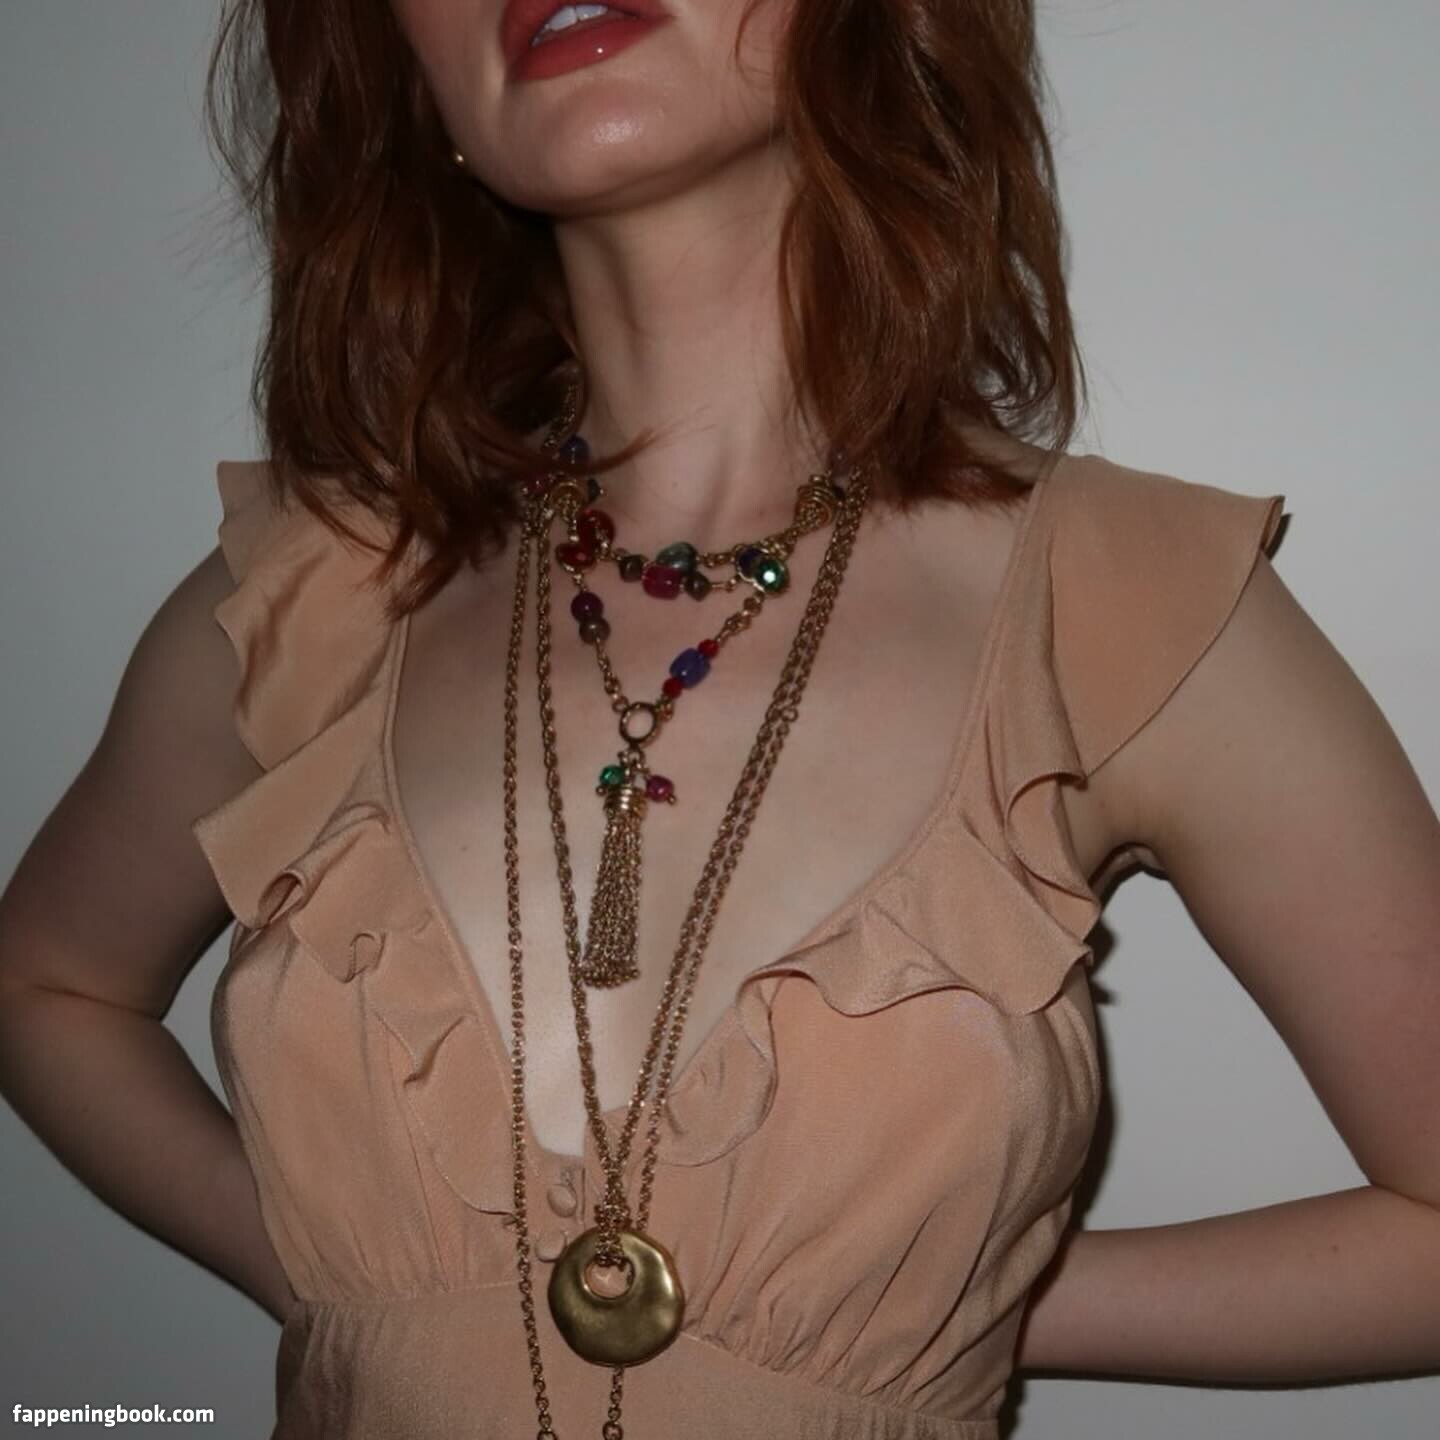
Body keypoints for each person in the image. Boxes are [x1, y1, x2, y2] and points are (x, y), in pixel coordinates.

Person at [1, 0, 1437, 1435]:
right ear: (407, 75)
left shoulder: (1121, 607)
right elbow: (46, 990)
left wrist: (974, 1307)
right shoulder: (308, 597)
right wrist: (340, 1283)